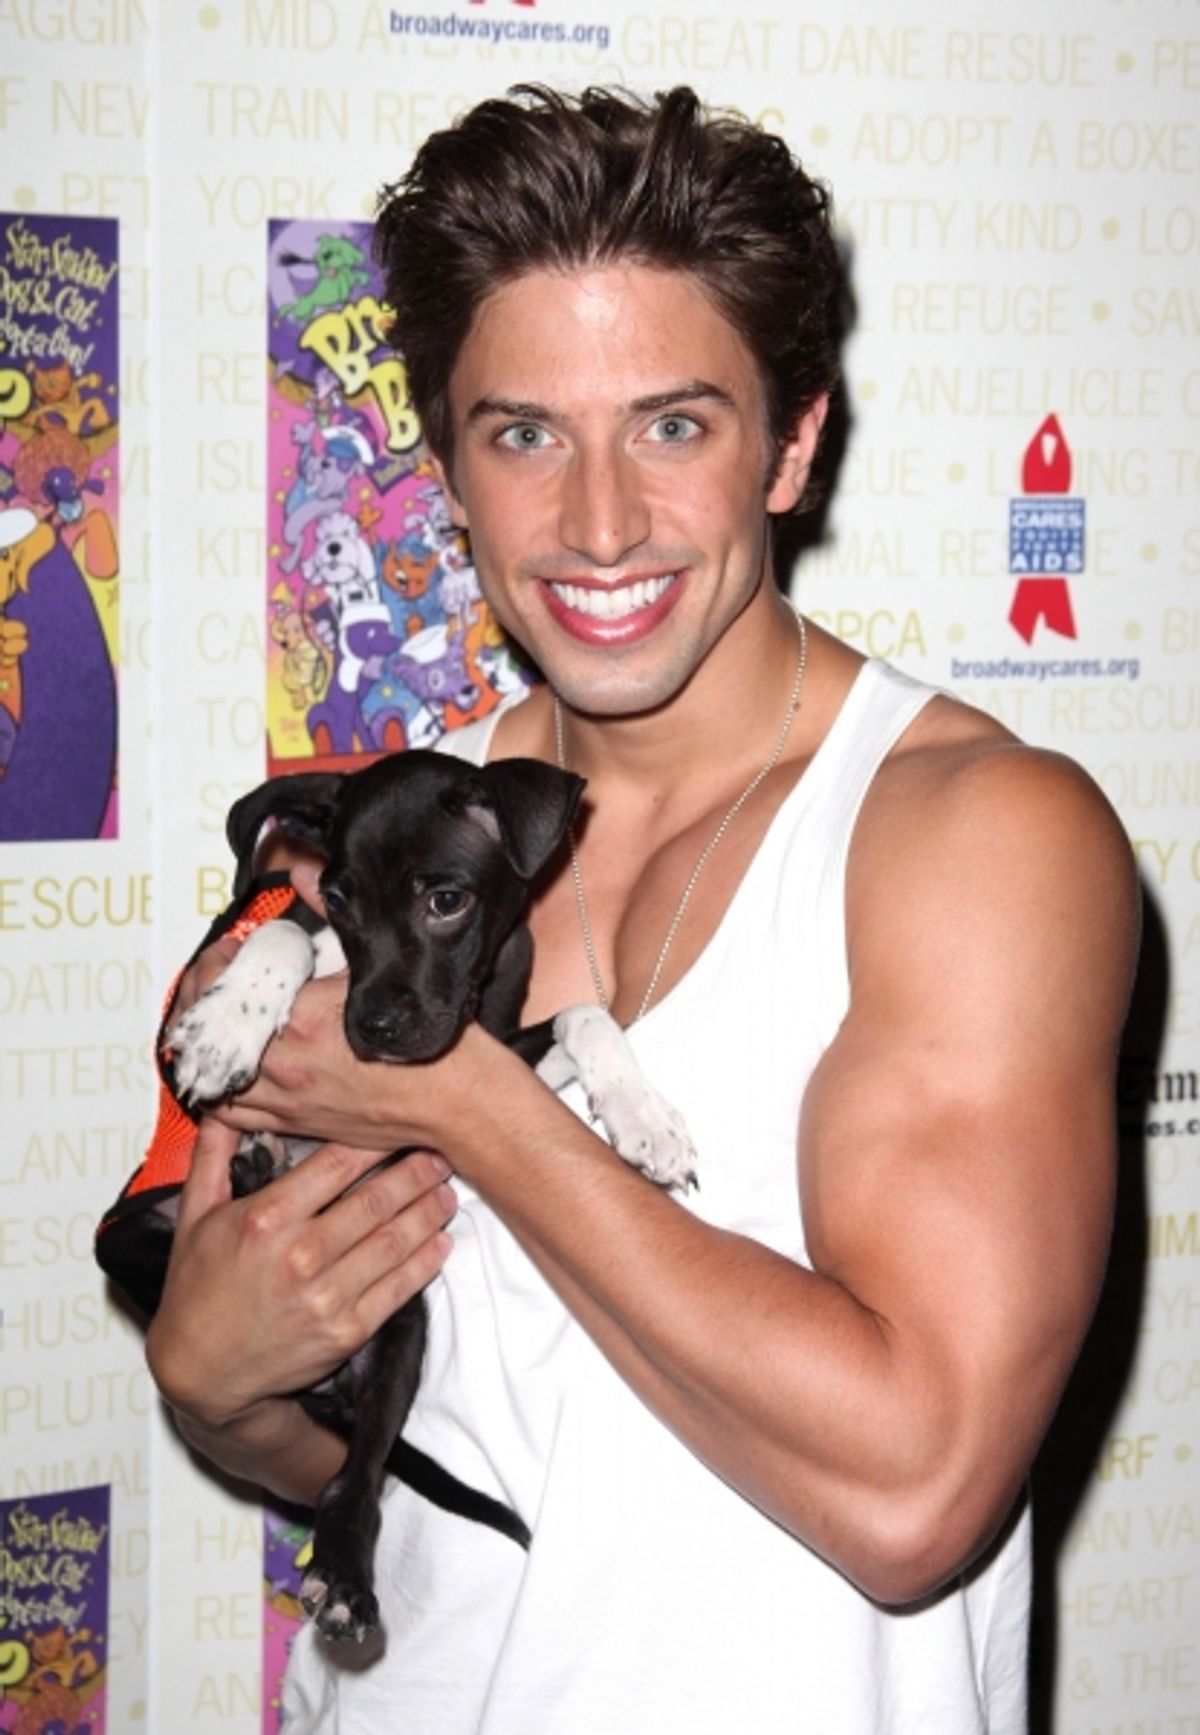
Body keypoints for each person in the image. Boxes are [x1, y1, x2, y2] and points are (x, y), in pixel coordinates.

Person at [144, 86, 1137, 1732]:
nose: (598, 524)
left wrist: (473, 1106)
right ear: (450, 462)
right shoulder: (389, 852)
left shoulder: (971, 836)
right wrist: (214, 1386)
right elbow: (392, 1444)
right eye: (524, 433)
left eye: (672, 425)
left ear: (793, 441)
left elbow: (914, 1502)